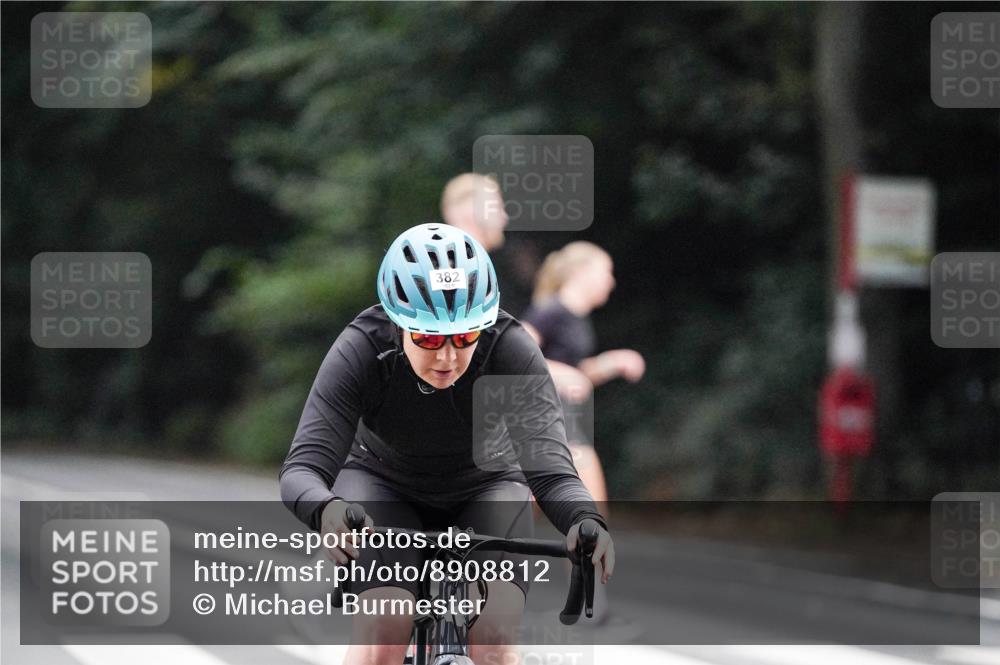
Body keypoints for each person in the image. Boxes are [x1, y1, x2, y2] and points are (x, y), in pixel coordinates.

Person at [280, 223, 615, 665]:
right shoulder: (362, 347)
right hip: (382, 484)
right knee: (383, 632)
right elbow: (303, 467)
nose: (447, 357)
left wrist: (584, 518)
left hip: (487, 484)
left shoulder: (509, 348)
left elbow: (552, 471)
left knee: (495, 640)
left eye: (464, 337)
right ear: (397, 322)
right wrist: (327, 509)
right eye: (428, 338)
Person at [522, 241, 645, 507]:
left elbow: (577, 374)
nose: (611, 282)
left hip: (564, 421)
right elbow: (513, 357)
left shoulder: (577, 318)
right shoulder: (550, 311)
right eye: (606, 272)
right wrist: (562, 373)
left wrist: (613, 362)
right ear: (581, 272)